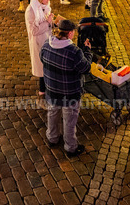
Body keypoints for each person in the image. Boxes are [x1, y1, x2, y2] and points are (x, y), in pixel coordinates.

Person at [41, 18, 93, 158]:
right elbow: (86, 68)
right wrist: (87, 50)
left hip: (51, 90)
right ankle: (70, 147)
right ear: (70, 34)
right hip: (70, 93)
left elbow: (42, 59)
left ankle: (52, 138)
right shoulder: (74, 52)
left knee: (52, 114)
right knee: (69, 121)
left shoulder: (46, 44)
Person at [25, 0, 58, 96]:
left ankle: (48, 91)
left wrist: (54, 23)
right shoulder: (31, 10)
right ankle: (42, 93)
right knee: (42, 70)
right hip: (39, 43)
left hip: (47, 41)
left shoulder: (45, 6)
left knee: (47, 68)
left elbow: (47, 22)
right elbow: (33, 31)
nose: (49, 1)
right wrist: (48, 22)